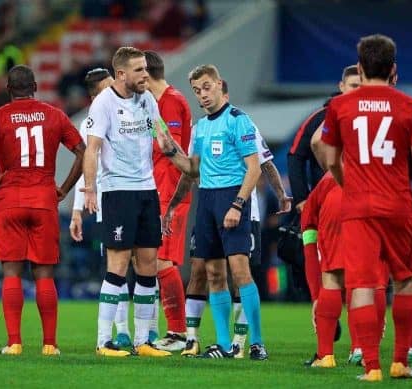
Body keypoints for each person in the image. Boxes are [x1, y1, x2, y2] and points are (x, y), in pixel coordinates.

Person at [321, 34, 412, 381]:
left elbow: (330, 159)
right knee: (404, 280)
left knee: (363, 286)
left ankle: (372, 366)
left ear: (359, 67)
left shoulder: (340, 107)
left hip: (357, 209)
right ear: (394, 71)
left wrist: (348, 185)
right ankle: (400, 362)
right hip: (398, 206)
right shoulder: (411, 107)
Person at [165, 80, 291, 358]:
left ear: (223, 91)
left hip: (239, 204)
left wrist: (279, 196)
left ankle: (250, 342)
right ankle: (221, 343)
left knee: (241, 273)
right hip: (208, 203)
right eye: (197, 91)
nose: (202, 95)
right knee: (210, 273)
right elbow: (192, 169)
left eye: (207, 88)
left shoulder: (241, 121)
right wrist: (171, 151)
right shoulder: (200, 128)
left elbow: (261, 163)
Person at [0, 65, 85, 356]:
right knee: (44, 275)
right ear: (35, 86)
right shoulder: (55, 114)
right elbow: (83, 151)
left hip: (10, 199)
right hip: (44, 199)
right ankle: (49, 345)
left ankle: (15, 343)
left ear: (8, 89)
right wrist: (65, 188)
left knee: (11, 272)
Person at [83, 47, 171, 358]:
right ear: (121, 75)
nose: (145, 75)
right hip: (118, 191)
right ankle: (103, 341)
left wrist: (171, 146)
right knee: (118, 265)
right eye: (138, 70)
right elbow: (91, 149)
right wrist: (91, 190)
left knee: (147, 264)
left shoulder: (147, 98)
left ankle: (143, 341)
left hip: (147, 189)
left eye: (145, 69)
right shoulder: (103, 103)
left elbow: (159, 131)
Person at [70, 67, 135, 346]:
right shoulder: (89, 123)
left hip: (139, 195)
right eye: (108, 85)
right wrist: (76, 210)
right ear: (96, 95)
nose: (116, 88)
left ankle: (150, 332)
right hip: (109, 202)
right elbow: (88, 167)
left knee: (146, 265)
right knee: (116, 268)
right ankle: (121, 331)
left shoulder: (136, 108)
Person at [144, 50, 193, 351]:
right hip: (158, 187)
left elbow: (170, 147)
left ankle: (178, 333)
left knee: (164, 260)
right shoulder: (158, 103)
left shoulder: (171, 101)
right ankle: (170, 331)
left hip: (170, 190)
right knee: (156, 259)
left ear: (146, 75)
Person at [288, 65, 360, 213]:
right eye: (354, 85)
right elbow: (295, 156)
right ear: (342, 86)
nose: (358, 91)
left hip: (361, 200)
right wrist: (301, 198)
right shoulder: (319, 117)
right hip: (325, 200)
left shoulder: (373, 117)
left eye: (362, 87)